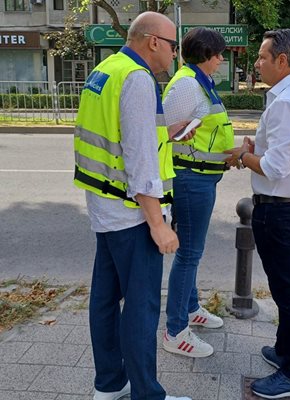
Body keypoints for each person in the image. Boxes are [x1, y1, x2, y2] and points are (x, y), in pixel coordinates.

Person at [74, 11, 192, 400]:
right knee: (141, 309)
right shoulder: (139, 78)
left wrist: (167, 133)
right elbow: (140, 159)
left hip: (105, 206)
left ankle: (109, 383)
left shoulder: (107, 68)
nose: (176, 55)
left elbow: (120, 137)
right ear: (154, 42)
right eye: (174, 46)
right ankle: (147, 394)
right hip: (131, 214)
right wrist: (158, 224)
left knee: (105, 301)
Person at [225, 29, 290, 399]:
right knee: (288, 285)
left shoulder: (286, 102)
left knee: (288, 292)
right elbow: (289, 151)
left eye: (262, 57)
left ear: (281, 61)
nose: (256, 63)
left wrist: (241, 156)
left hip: (280, 211)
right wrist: (258, 146)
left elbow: (275, 167)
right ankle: (285, 351)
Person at [161, 27, 234, 358]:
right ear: (205, 55)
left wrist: (228, 153)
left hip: (204, 176)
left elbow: (205, 133)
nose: (221, 59)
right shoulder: (187, 85)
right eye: (218, 53)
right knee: (189, 254)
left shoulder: (200, 83)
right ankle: (175, 331)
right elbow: (166, 136)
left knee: (192, 252)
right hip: (191, 179)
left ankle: (190, 310)